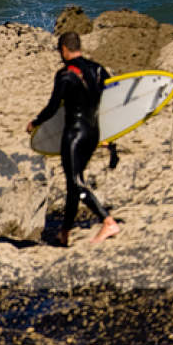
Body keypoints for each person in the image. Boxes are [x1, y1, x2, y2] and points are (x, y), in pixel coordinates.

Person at [26, 32, 121, 246]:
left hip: (75, 133)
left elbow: (52, 107)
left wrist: (35, 123)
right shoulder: (97, 69)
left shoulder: (65, 74)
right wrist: (108, 137)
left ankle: (107, 221)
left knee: (76, 181)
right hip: (93, 133)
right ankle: (65, 233)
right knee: (73, 183)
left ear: (64, 50)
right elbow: (111, 100)